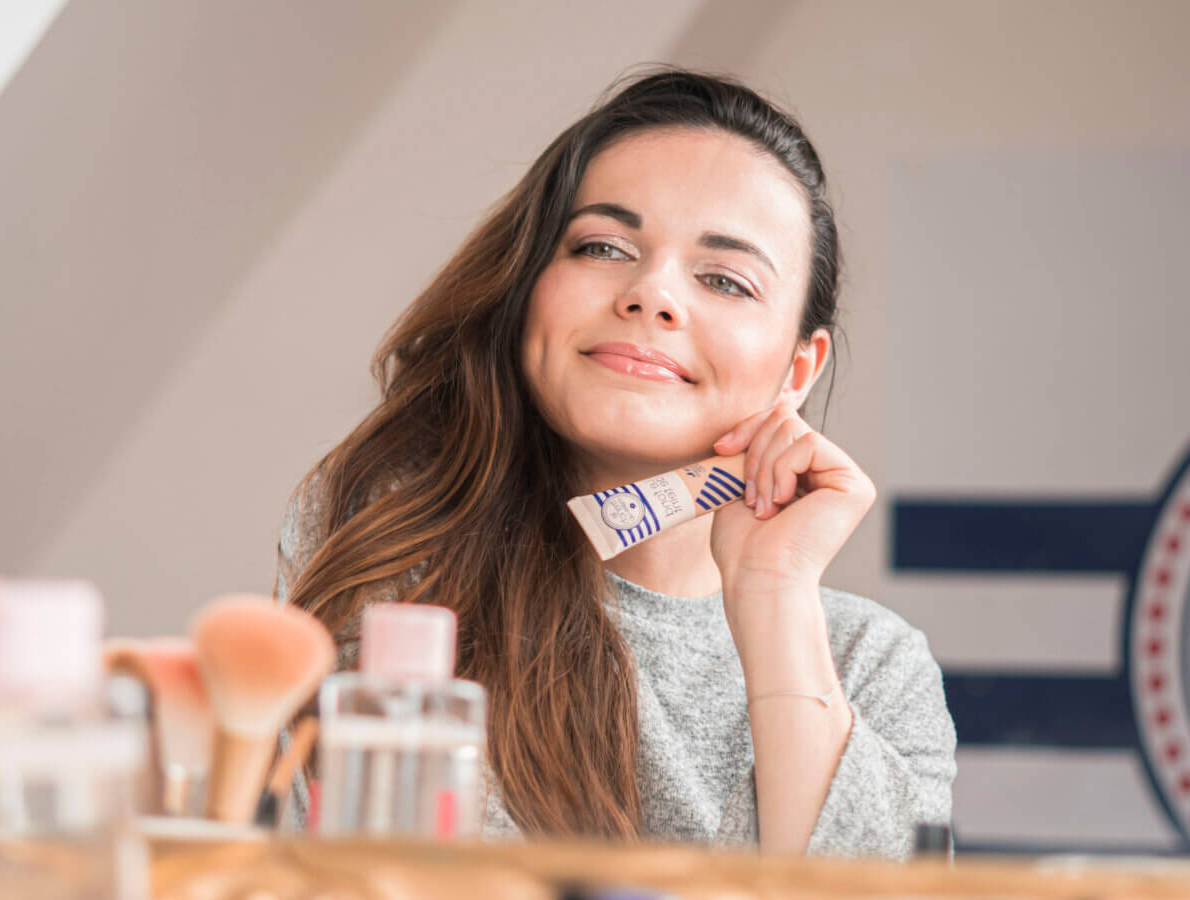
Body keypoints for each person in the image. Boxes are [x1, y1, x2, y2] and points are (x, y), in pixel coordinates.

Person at [274, 64, 957, 859]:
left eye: (725, 279)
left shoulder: (873, 667)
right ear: (530, 286)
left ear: (797, 370)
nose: (652, 294)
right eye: (602, 245)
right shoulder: (392, 556)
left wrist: (773, 598)